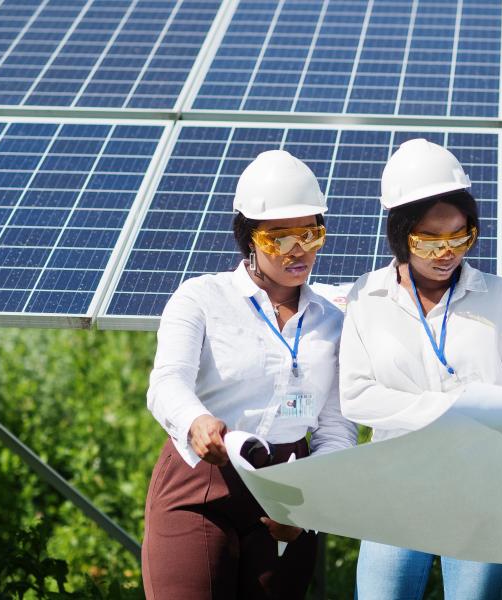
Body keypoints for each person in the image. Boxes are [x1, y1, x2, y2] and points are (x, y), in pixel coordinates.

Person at [142, 150, 357, 599]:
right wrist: (195, 421)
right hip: (202, 478)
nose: (299, 251)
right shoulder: (200, 297)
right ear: (249, 237)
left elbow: (337, 425)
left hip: (290, 491)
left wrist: (307, 501)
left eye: (311, 234)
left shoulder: (336, 322)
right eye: (281, 238)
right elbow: (167, 382)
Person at [339, 138, 502, 600]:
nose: (446, 252)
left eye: (460, 237)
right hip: (395, 490)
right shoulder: (366, 296)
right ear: (399, 233)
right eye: (429, 239)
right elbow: (356, 396)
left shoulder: (497, 295)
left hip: (481, 491)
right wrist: (450, 410)